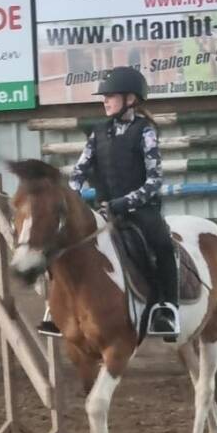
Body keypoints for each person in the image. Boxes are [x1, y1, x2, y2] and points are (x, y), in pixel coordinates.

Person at [39, 66, 180, 340]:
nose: (105, 101)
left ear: (130, 99)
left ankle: (167, 309)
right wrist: (71, 197)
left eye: (111, 96)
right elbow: (79, 171)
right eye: (104, 97)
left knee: (163, 245)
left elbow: (154, 181)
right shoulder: (98, 132)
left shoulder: (145, 132)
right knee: (62, 242)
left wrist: (123, 203)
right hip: (104, 210)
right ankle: (56, 311)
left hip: (140, 210)